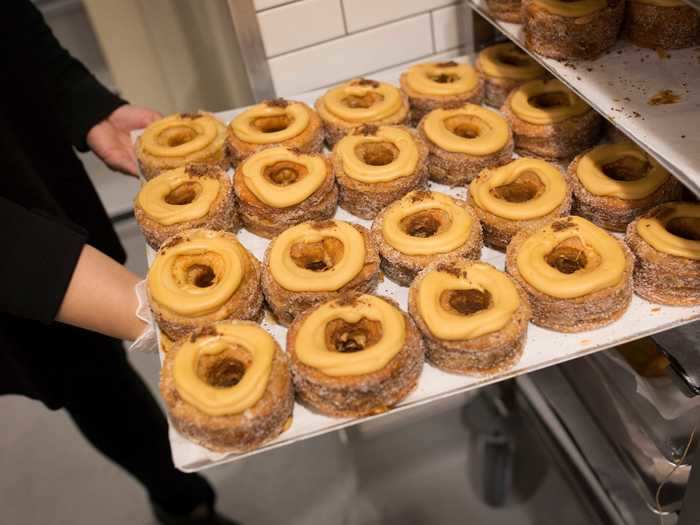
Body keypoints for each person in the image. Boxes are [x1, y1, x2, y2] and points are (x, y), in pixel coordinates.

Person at [1, 2, 238, 524]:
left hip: (22, 170)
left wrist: (78, 98)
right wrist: (48, 269)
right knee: (75, 368)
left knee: (92, 358)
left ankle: (180, 502)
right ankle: (185, 505)